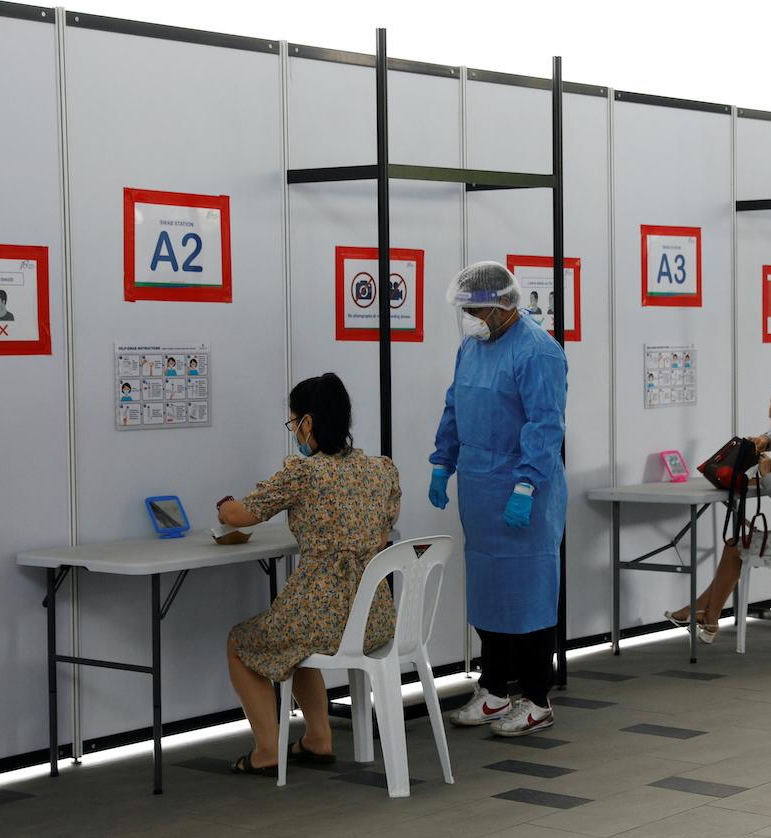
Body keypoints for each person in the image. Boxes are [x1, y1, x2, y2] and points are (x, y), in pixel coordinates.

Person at [217, 373, 400, 775]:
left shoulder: (303, 472)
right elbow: (385, 531)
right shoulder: (381, 470)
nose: (294, 430)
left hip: (324, 615)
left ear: (308, 423)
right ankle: (317, 738)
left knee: (241, 643)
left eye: (293, 421)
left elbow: (239, 516)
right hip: (375, 618)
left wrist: (224, 507)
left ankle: (266, 750)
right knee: (294, 638)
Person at [429, 261, 568, 737]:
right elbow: (456, 402)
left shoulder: (537, 351)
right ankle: (493, 688)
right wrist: (442, 460)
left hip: (523, 487)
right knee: (488, 591)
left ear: (500, 304)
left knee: (527, 593)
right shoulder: (473, 346)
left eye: (475, 307)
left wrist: (527, 484)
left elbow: (545, 425)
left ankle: (536, 697)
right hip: (479, 486)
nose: (469, 316)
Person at [665, 386, 771, 642]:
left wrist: (768, 475)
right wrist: (765, 440)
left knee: (734, 547)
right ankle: (701, 611)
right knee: (736, 545)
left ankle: (709, 616)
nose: (770, 425)